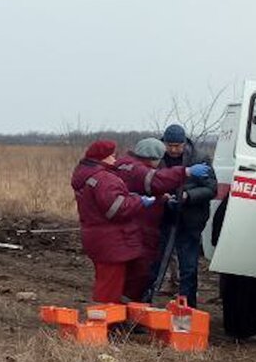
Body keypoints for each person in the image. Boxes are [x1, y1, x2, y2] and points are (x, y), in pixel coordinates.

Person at [112, 137, 209, 300]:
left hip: (134, 225)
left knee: (132, 270)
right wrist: (187, 172)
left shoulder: (122, 164)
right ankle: (133, 309)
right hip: (142, 226)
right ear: (151, 157)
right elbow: (157, 181)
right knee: (141, 271)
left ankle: (128, 305)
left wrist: (162, 199)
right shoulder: (139, 169)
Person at [71, 139, 155, 303]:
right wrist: (139, 201)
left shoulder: (84, 175)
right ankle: (104, 322)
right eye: (112, 156)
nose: (115, 160)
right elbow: (116, 209)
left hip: (95, 237)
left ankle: (117, 318)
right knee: (109, 286)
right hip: (112, 241)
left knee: (110, 281)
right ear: (103, 157)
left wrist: (129, 198)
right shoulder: (104, 179)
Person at [150, 124, 218, 308]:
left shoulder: (200, 158)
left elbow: (212, 189)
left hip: (190, 219)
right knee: (155, 263)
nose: (173, 150)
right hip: (163, 218)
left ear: (184, 143)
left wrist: (188, 196)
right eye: (169, 145)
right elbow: (150, 182)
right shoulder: (157, 157)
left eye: (177, 146)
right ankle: (145, 302)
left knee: (188, 267)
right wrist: (162, 196)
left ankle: (188, 307)